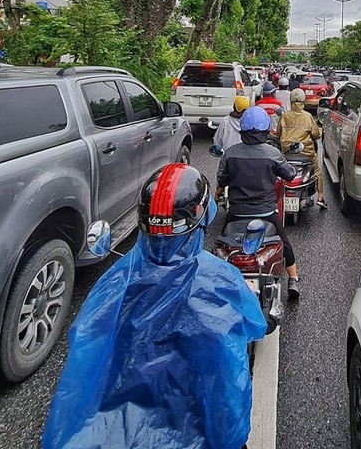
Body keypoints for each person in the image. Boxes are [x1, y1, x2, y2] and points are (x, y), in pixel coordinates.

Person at [42, 163, 267, 449]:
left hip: (106, 431)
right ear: (202, 217)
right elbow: (228, 378)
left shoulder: (115, 279)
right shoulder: (221, 281)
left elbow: (85, 354)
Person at [216, 106, 302, 298]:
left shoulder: (230, 153)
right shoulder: (272, 153)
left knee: (222, 246)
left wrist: (217, 194)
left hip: (236, 212)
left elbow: (221, 179)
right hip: (266, 213)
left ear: (243, 130)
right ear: (265, 131)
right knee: (284, 242)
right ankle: (293, 280)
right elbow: (289, 174)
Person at [277, 87, 327, 210]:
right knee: (317, 171)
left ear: (291, 101)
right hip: (306, 154)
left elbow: (278, 133)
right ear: (303, 101)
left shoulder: (284, 116)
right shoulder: (308, 116)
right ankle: (320, 197)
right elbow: (316, 135)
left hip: (287, 153)